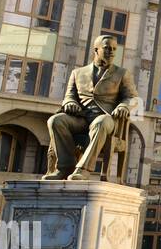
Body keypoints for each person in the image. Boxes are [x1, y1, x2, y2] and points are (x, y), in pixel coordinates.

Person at [45, 34, 139, 181]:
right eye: (107, 48)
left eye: (114, 49)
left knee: (100, 122)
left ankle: (83, 169)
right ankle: (65, 167)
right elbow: (69, 96)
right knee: (55, 121)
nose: (112, 52)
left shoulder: (122, 73)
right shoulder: (77, 73)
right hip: (81, 119)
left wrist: (124, 106)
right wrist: (70, 103)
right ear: (96, 50)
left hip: (107, 119)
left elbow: (133, 98)